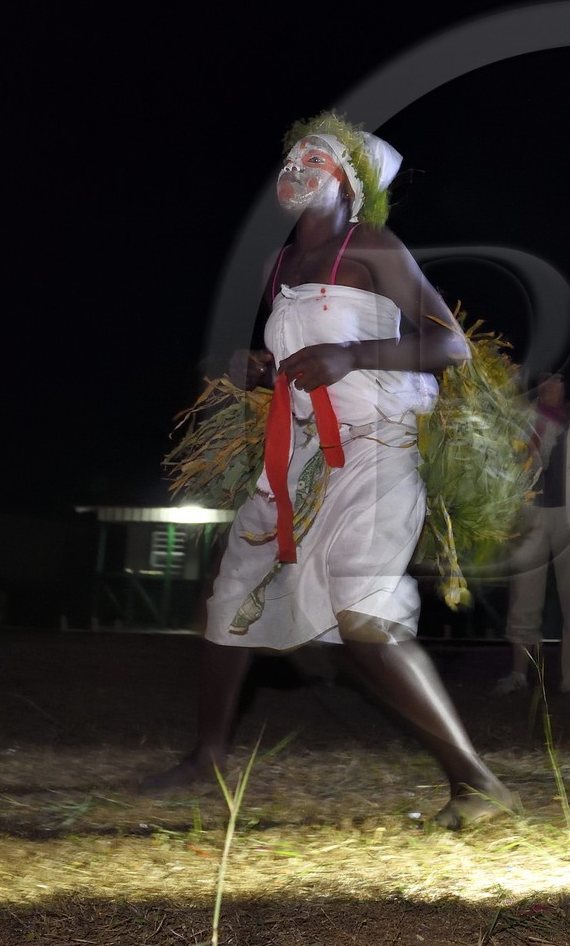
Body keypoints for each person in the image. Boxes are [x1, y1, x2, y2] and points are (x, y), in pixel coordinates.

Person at [144, 113, 516, 829]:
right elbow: (299, 359)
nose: (294, 165)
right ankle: (208, 757)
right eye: (290, 156)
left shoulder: (373, 246)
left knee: (363, 616)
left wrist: (354, 357)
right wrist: (259, 371)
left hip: (376, 448)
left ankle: (478, 783)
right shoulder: (276, 267)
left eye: (314, 155)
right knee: (231, 592)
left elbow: (449, 347)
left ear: (349, 179)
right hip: (301, 454)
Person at [494, 372, 570, 699]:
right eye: (545, 378)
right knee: (523, 597)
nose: (549, 385)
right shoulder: (522, 419)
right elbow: (507, 467)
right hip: (529, 517)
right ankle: (519, 674)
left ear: (567, 384)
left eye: (558, 378)